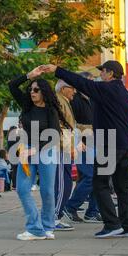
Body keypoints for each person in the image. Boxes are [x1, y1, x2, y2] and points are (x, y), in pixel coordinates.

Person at [41, 60, 128, 238]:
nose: (100, 75)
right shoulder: (126, 94)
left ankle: (112, 225)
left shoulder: (106, 89)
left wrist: (57, 70)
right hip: (125, 146)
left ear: (111, 74)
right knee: (122, 187)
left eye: (102, 71)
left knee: (100, 184)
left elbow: (82, 83)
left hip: (109, 145)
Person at [8, 66, 71, 241]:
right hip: (27, 150)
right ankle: (35, 227)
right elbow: (12, 86)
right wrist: (29, 76)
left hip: (47, 151)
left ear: (44, 92)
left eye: (36, 90)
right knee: (22, 189)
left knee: (47, 191)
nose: (32, 92)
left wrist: (33, 149)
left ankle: (47, 226)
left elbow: (54, 134)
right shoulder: (26, 106)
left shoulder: (50, 111)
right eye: (30, 89)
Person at [61, 72, 102, 224]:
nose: (92, 85)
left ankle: (92, 211)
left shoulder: (91, 100)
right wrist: (78, 138)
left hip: (94, 143)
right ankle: (70, 207)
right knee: (91, 176)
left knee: (98, 177)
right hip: (81, 145)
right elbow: (69, 123)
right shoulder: (74, 100)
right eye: (89, 82)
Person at [53, 79, 78, 227]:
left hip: (64, 147)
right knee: (63, 183)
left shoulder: (64, 101)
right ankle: (55, 217)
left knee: (65, 182)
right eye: (72, 88)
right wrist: (68, 147)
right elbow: (59, 127)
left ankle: (56, 214)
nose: (74, 91)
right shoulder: (59, 100)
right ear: (63, 89)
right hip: (61, 148)